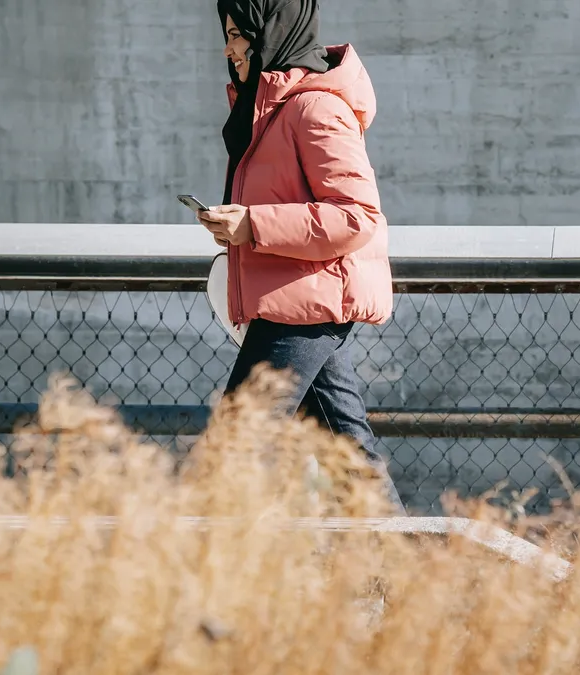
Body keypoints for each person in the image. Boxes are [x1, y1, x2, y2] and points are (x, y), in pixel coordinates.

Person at [197, 0, 405, 513]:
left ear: (267, 31)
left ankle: (212, 581)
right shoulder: (270, 112)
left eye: (236, 34)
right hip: (298, 301)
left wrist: (253, 224)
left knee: (234, 448)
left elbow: (356, 215)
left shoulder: (316, 108)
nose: (228, 49)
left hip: (307, 304)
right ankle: (416, 580)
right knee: (349, 457)